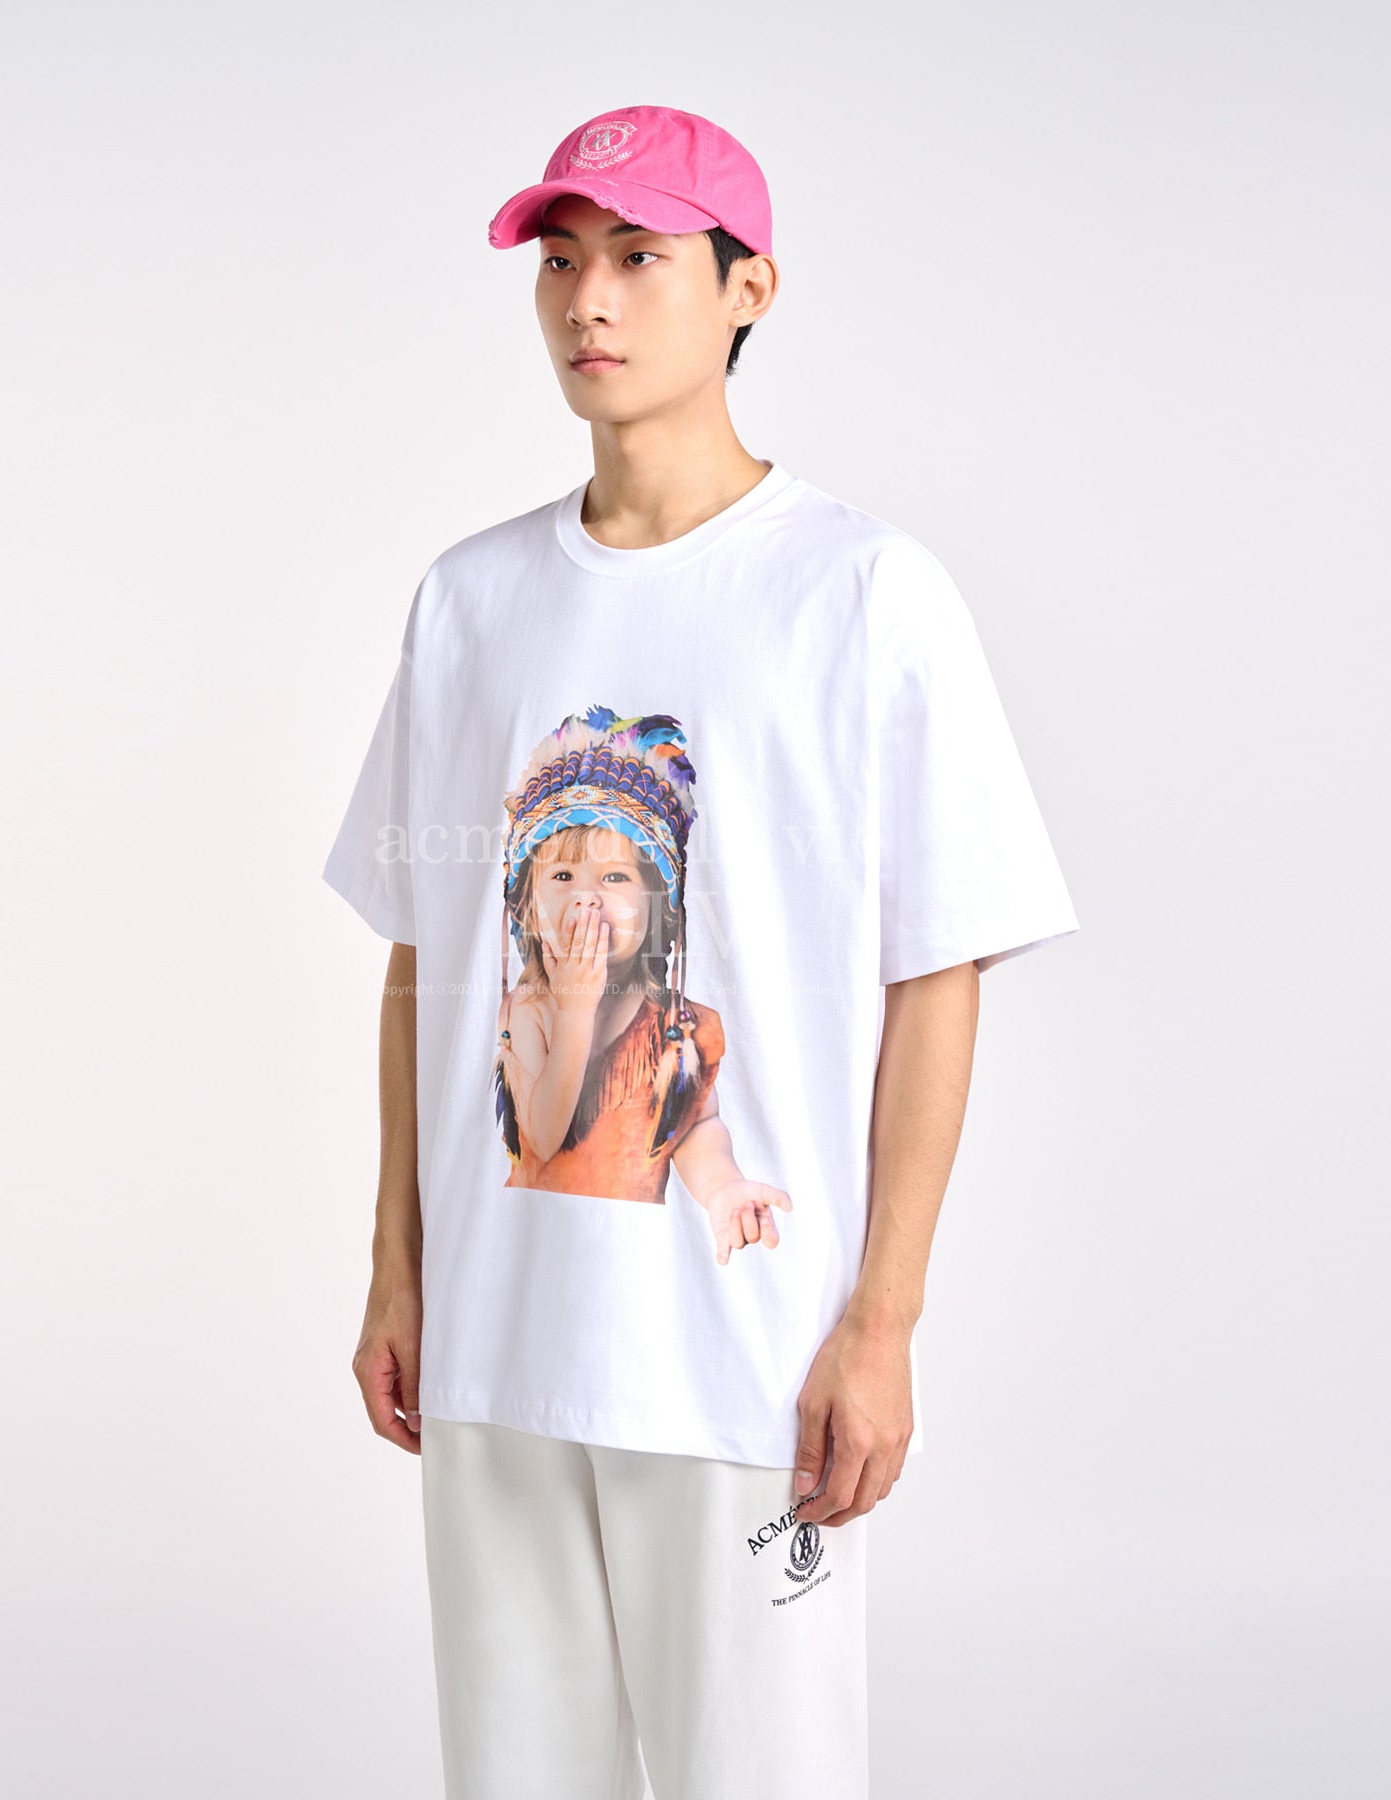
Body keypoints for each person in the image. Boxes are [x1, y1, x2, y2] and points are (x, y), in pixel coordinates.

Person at [322, 103, 1080, 1800]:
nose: (589, 300)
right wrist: (396, 1264)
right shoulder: (471, 600)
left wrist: (882, 1322)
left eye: (640, 258)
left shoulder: (864, 594)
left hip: (747, 1372)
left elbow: (937, 975)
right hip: (500, 1354)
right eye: (561, 262)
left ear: (749, 289)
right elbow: (424, 959)